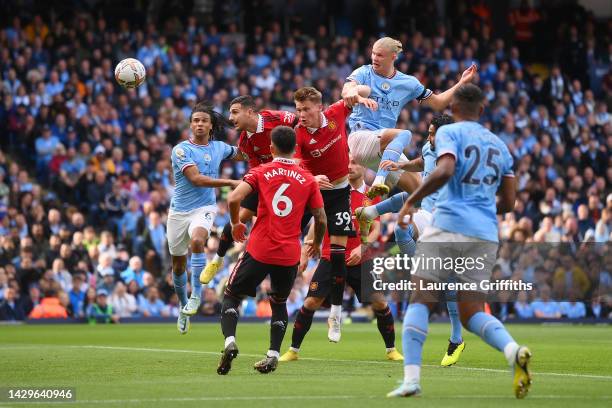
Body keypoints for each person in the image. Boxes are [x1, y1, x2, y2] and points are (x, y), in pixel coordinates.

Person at [387, 84, 531, 399]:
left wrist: (412, 199)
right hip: (484, 234)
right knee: (472, 312)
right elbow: (509, 203)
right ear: (482, 109)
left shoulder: (449, 134)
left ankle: (411, 379)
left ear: (452, 109)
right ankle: (513, 350)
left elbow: (446, 169)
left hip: (448, 223)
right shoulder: (500, 146)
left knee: (421, 298)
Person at [355, 114, 467, 366]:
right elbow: (422, 162)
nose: (428, 138)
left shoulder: (457, 159)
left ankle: (457, 338)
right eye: (428, 132)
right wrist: (403, 166)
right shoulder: (430, 148)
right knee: (401, 229)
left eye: (432, 133)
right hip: (429, 213)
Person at [217, 126, 326, 375]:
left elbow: (234, 199)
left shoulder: (261, 171)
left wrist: (235, 224)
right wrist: (316, 244)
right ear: (295, 148)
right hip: (288, 254)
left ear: (271, 148)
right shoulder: (308, 179)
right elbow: (320, 218)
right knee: (279, 302)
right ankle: (273, 354)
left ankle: (230, 341)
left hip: (260, 249)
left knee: (232, 295)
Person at [280, 155, 403, 362]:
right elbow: (318, 221)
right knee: (311, 302)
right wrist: (305, 250)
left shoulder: (371, 194)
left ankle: (391, 350)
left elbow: (375, 228)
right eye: (347, 162)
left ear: (364, 167)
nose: (349, 166)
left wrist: (362, 249)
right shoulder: (333, 191)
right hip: (330, 256)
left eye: (355, 162)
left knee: (380, 303)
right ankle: (293, 350)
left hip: (360, 260)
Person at [342, 36, 477, 198]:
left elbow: (438, 103)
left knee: (422, 193)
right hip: (361, 139)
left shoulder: (408, 83)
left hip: (386, 148)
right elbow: (348, 88)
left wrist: (461, 83)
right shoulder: (363, 72)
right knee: (404, 134)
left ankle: (369, 213)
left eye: (380, 55)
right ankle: (379, 181)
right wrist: (351, 94)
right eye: (373, 54)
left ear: (393, 57)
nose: (374, 58)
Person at [293, 86, 376, 342]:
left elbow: (362, 89)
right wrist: (311, 177)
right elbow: (294, 166)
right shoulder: (298, 133)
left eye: (306, 109)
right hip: (313, 192)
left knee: (337, 255)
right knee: (288, 231)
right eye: (298, 110)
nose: (302, 115)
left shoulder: (337, 113)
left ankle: (336, 315)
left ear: (319, 107)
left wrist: (357, 94)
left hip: (339, 193)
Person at [201, 95, 298, 283]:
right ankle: (217, 260)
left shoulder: (276, 119)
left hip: (291, 178)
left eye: (235, 112)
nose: (231, 118)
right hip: (267, 180)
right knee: (236, 218)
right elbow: (256, 169)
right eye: (230, 113)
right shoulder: (245, 141)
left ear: (251, 112)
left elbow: (299, 123)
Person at [167, 101, 241, 334]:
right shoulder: (181, 150)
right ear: (191, 125)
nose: (199, 124)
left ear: (211, 126)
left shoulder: (219, 147)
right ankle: (182, 304)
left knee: (198, 242)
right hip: (179, 212)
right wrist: (230, 182)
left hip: (205, 208)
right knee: (178, 264)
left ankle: (196, 295)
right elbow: (197, 179)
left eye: (204, 121)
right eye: (196, 120)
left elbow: (244, 154)